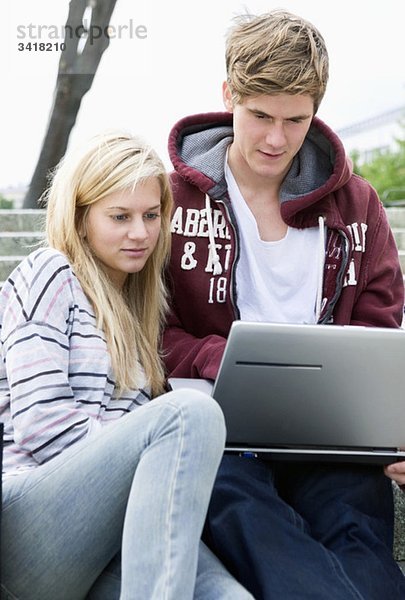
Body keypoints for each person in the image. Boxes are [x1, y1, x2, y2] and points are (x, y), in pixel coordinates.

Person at [163, 9, 405, 600]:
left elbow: (379, 336)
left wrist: (387, 429)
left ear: (317, 110)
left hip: (331, 436)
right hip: (219, 433)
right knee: (247, 515)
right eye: (260, 116)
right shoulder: (170, 200)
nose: (276, 139)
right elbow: (147, 329)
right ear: (229, 96)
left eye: (296, 120)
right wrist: (214, 358)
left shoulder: (356, 206)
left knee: (356, 526)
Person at [0, 132, 254, 600]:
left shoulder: (140, 311)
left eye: (151, 215)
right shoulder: (50, 274)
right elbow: (41, 424)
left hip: (99, 539)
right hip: (26, 524)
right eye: (119, 217)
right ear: (80, 218)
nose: (140, 232)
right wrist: (146, 459)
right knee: (190, 415)